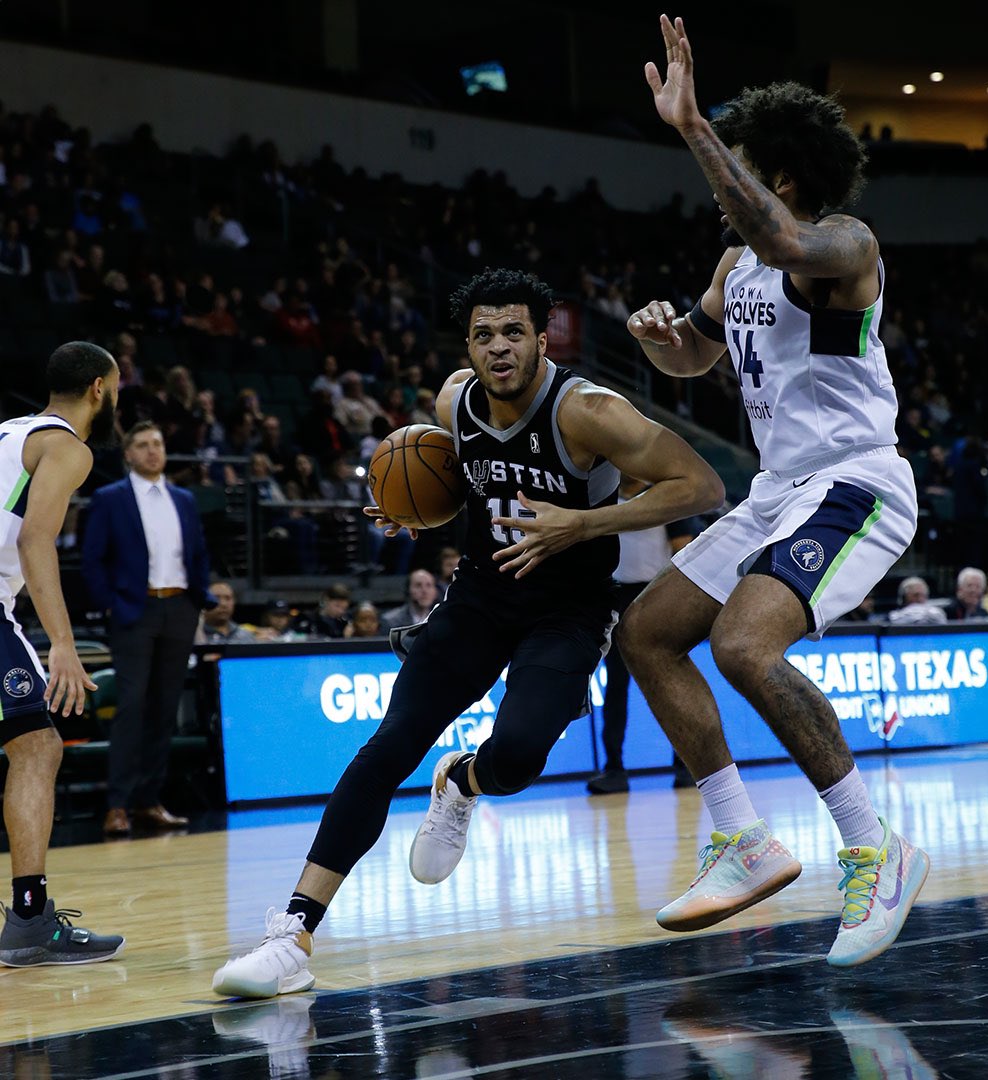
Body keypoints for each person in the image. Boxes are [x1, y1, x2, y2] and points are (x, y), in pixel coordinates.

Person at [211, 266, 723, 998]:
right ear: (468, 346)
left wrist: (582, 523)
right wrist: (412, 510)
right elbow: (467, 484)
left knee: (516, 757)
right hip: (480, 597)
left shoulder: (588, 412)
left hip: (569, 610)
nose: (499, 347)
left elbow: (701, 485)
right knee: (389, 746)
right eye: (484, 335)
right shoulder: (454, 401)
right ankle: (292, 933)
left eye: (514, 331)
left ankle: (462, 781)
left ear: (542, 340)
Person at [616, 16, 929, 970]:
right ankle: (742, 837)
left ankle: (875, 846)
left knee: (743, 645)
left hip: (856, 479)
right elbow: (702, 353)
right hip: (778, 489)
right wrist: (665, 341)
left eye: (742, 166)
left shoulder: (845, 243)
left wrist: (692, 126)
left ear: (781, 176)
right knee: (647, 633)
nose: (723, 188)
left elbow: (783, 236)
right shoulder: (734, 264)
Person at [0, 341, 125, 966]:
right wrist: (65, 645)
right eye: (117, 386)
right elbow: (35, 539)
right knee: (38, 746)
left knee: (30, 745)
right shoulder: (67, 446)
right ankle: (29, 921)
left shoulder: (9, 432)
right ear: (99, 388)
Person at [82, 421, 215, 836]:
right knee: (132, 706)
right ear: (128, 454)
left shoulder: (184, 499)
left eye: (157, 443)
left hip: (179, 607)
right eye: (142, 444)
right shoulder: (109, 498)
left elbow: (198, 552)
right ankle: (117, 804)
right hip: (134, 610)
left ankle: (148, 801)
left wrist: (199, 597)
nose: (152, 450)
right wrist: (110, 604)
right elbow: (92, 559)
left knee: (164, 709)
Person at [586, 476, 698, 794]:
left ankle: (686, 764)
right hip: (616, 597)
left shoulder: (664, 496)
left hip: (656, 595)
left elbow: (684, 549)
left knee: (670, 683)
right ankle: (614, 769)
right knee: (616, 687)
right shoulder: (604, 497)